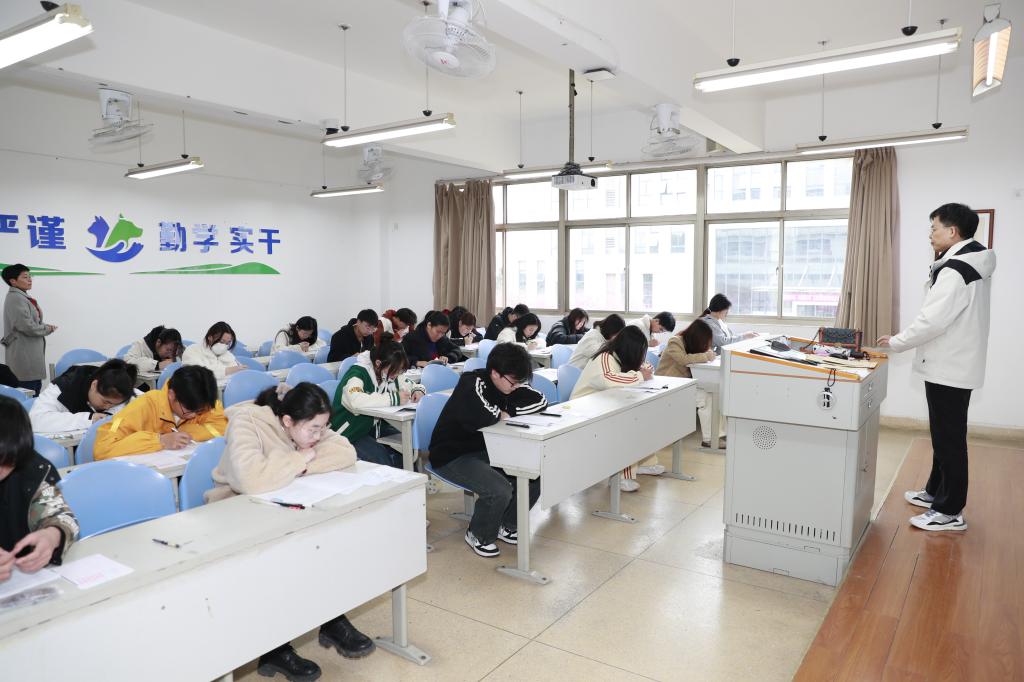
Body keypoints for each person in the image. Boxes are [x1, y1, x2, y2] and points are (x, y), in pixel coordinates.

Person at [206, 383, 374, 680]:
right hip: (234, 515)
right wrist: (297, 460)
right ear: (287, 421)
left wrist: (299, 467)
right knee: (278, 563)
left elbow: (346, 452)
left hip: (282, 507)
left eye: (323, 428)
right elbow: (250, 479)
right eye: (313, 430)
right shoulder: (247, 422)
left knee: (327, 546)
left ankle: (331, 619)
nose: (319, 436)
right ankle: (275, 649)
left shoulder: (308, 423)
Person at [878, 203, 996, 532]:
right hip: (955, 362)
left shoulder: (956, 270)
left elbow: (933, 321)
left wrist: (897, 341)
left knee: (949, 439)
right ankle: (935, 491)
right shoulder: (971, 261)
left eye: (934, 228)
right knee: (943, 435)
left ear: (952, 231)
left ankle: (949, 511)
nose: (930, 234)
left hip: (949, 365)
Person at [429, 343, 547, 557]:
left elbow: (540, 400)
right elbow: (483, 415)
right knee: (499, 489)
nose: (516, 387)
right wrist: (500, 413)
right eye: (513, 382)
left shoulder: (508, 383)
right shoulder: (471, 382)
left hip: (487, 451)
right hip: (452, 455)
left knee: (533, 476)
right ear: (495, 373)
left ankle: (507, 524)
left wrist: (508, 411)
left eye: (519, 382)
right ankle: (478, 534)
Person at [0, 395, 79, 584]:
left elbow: (63, 516)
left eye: (7, 462)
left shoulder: (32, 471)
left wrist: (52, 536)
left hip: (18, 582)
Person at [571, 326, 654, 492]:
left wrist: (644, 369)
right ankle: (622, 477)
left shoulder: (619, 358)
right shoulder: (605, 357)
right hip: (582, 410)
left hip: (602, 406)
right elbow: (608, 379)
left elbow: (641, 369)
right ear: (630, 349)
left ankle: (643, 462)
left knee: (639, 420)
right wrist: (639, 376)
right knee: (626, 427)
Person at [93, 365, 226, 459]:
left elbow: (223, 427)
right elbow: (103, 448)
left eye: (200, 411)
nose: (194, 415)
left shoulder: (203, 402)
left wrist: (187, 433)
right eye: (189, 410)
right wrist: (160, 440)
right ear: (172, 395)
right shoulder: (144, 405)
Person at [331, 336, 425, 468]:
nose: (396, 375)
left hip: (373, 428)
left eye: (399, 371)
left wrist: (418, 390)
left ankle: (411, 480)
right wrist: (393, 399)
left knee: (406, 447)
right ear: (378, 363)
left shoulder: (389, 372)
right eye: (394, 371)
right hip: (349, 432)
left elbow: (410, 383)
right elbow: (355, 401)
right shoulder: (358, 373)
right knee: (382, 459)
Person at [655, 319, 719, 448]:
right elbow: (683, 360)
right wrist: (706, 356)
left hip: (683, 383)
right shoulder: (675, 341)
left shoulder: (692, 344)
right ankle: (709, 439)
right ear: (696, 337)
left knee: (712, 393)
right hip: (667, 384)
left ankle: (714, 436)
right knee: (706, 397)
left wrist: (707, 353)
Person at [29, 359, 138, 432]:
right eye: (106, 401)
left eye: (114, 404)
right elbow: (36, 420)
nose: (108, 407)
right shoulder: (62, 387)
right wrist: (89, 419)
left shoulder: (121, 390)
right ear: (94, 385)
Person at [2, 264, 57, 395]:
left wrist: (45, 327)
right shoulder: (16, 298)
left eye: (30, 276)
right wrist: (47, 329)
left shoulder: (22, 296)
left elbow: (31, 322)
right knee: (28, 393)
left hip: (29, 352)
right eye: (25, 277)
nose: (30, 279)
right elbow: (26, 326)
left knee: (34, 389)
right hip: (24, 353)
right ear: (13, 281)